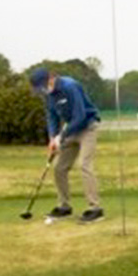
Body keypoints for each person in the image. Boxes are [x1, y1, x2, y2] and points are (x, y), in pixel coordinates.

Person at [29, 68, 104, 224]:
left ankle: (95, 209)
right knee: (59, 168)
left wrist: (61, 137)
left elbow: (80, 116)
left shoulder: (70, 86)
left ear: (50, 78)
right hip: (70, 130)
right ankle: (64, 207)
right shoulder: (48, 95)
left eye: (43, 86)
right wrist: (52, 138)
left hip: (88, 127)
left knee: (84, 165)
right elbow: (51, 116)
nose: (42, 90)